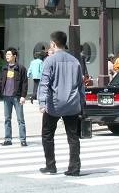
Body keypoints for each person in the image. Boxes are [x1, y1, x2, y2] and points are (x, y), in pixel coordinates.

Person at [37, 31, 84, 177]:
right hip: (72, 104)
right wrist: (82, 102)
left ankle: (51, 165)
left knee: (47, 135)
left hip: (54, 105)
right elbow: (80, 85)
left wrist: (42, 102)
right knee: (73, 137)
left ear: (53, 44)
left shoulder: (49, 61)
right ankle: (74, 168)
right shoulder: (75, 61)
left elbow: (44, 83)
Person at [0, 47, 28, 146]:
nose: (6, 56)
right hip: (6, 97)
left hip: (16, 97)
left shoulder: (21, 68)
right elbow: (1, 82)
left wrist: (23, 96)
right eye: (6, 55)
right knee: (7, 119)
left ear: (14, 56)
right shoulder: (5, 68)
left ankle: (23, 139)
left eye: (8, 54)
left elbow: (25, 83)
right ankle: (8, 139)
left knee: (20, 119)